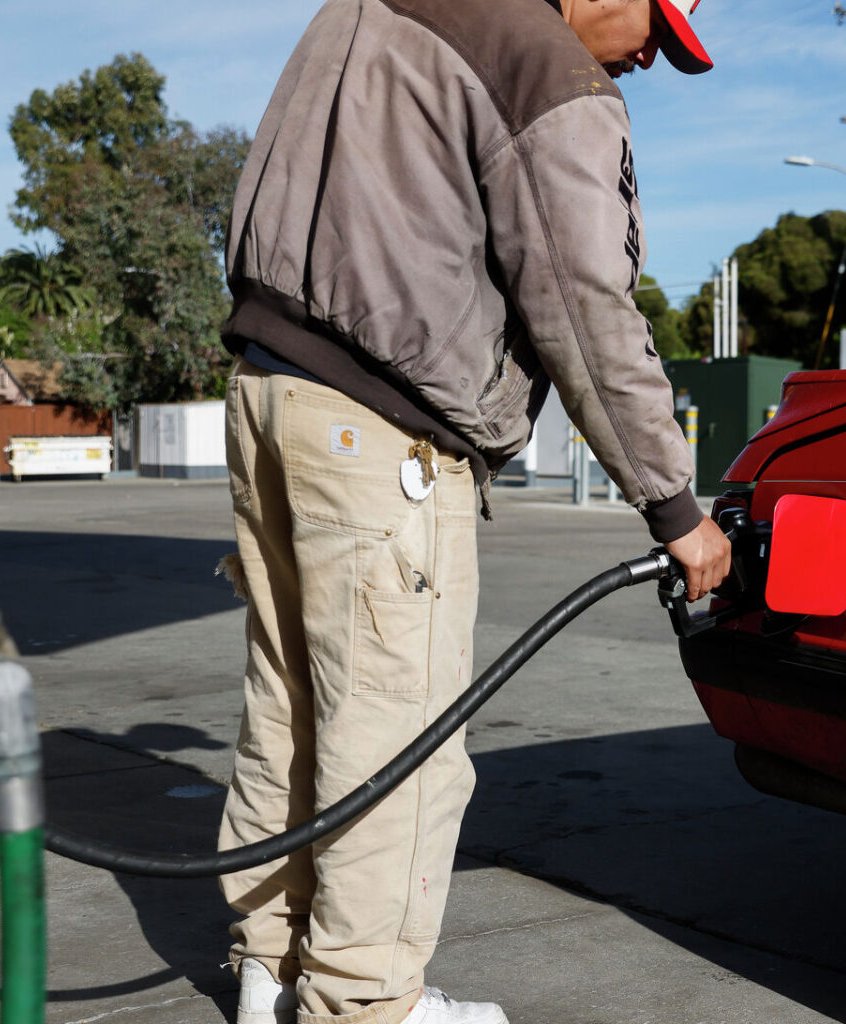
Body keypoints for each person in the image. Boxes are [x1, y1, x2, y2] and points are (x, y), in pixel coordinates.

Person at [213, 0, 731, 1021]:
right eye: (655, 32)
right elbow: (585, 304)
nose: (648, 62)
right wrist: (675, 506)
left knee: (293, 711)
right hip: (387, 433)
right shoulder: (547, 70)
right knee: (397, 740)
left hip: (267, 394)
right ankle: (364, 1004)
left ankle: (270, 967)